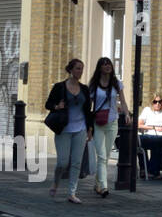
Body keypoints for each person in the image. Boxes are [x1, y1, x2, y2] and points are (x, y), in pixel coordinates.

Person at [46, 58, 93, 204]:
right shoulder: (60, 87)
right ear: (71, 70)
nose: (80, 71)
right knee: (62, 162)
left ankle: (71, 193)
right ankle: (55, 183)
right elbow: (48, 104)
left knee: (76, 163)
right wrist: (57, 107)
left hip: (80, 129)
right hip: (64, 129)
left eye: (82, 69)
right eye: (78, 68)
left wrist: (90, 128)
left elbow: (88, 111)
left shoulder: (84, 89)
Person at [86, 57, 130, 198]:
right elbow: (89, 105)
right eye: (104, 64)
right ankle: (104, 186)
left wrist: (127, 114)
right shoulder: (94, 85)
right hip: (98, 123)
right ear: (100, 68)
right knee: (102, 155)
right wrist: (88, 124)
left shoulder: (117, 84)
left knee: (106, 155)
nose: (107, 66)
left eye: (109, 64)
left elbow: (122, 101)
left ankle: (98, 184)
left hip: (112, 122)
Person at [138, 94, 162, 178]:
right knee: (147, 142)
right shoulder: (147, 110)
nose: (157, 104)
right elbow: (139, 125)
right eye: (155, 102)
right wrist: (154, 127)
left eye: (160, 102)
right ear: (151, 103)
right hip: (150, 134)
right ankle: (149, 169)